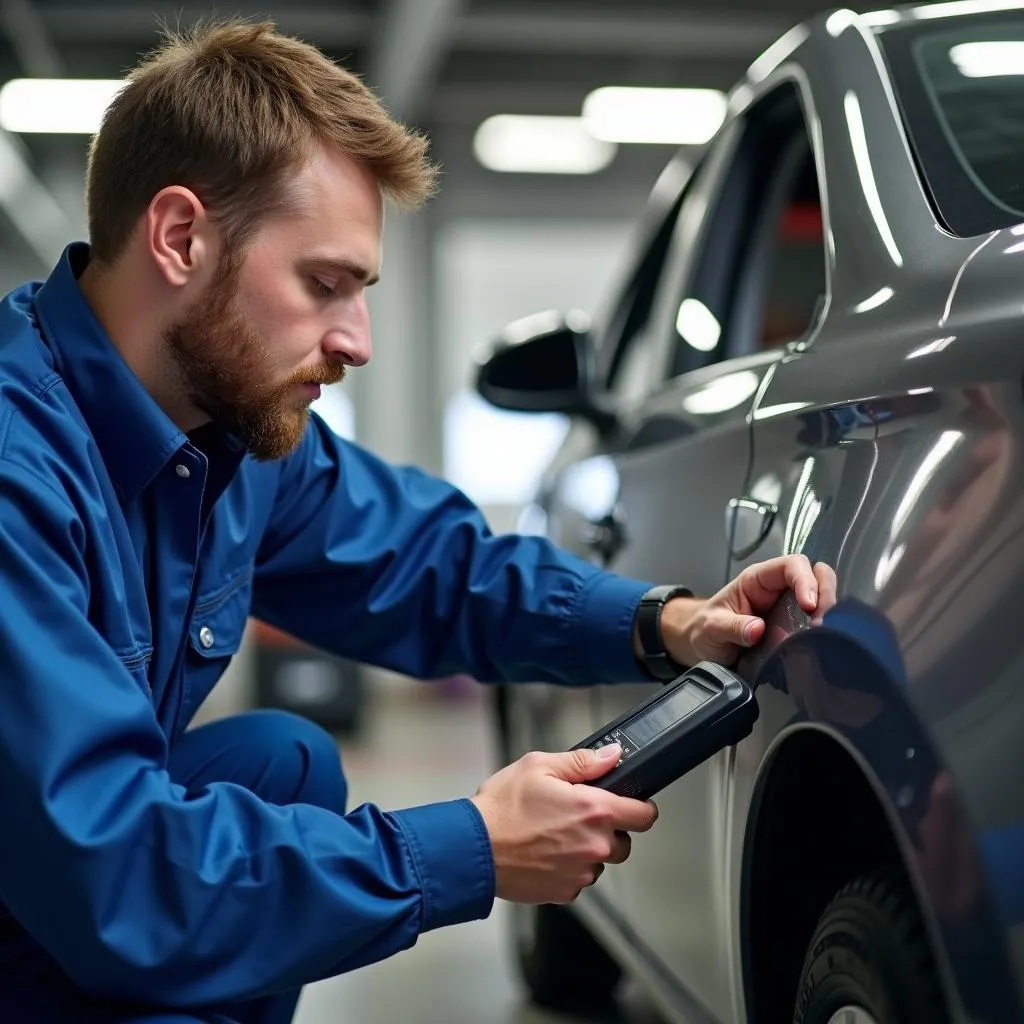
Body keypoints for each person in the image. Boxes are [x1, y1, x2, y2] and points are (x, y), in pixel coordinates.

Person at [0, 18, 835, 1024]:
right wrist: (470, 846)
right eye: (322, 285)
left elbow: (427, 562)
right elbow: (114, 873)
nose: (354, 340)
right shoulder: (17, 468)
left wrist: (662, 621)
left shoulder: (229, 435)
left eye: (361, 292)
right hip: (68, 883)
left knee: (280, 764)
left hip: (49, 878)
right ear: (180, 237)